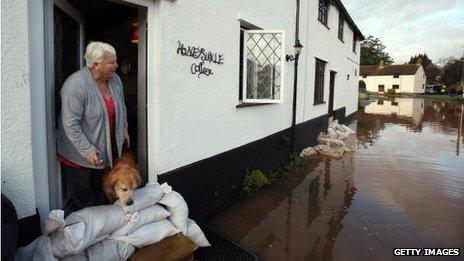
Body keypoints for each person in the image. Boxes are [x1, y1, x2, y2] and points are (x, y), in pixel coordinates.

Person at [57, 41, 129, 212]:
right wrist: (87, 150)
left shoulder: (115, 80)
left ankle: (101, 223)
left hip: (104, 149)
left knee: (99, 187)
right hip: (80, 153)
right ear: (96, 65)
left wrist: (124, 127)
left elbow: (122, 106)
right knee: (83, 197)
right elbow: (70, 123)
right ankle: (88, 228)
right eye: (112, 62)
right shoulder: (76, 85)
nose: (116, 66)